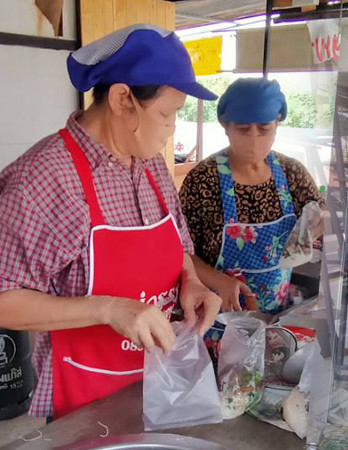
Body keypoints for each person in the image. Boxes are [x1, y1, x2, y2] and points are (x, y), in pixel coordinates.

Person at [0, 24, 222, 420]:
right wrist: (109, 310)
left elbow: (179, 251)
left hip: (156, 389)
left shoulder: (151, 165)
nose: (172, 129)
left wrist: (192, 282)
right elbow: (4, 301)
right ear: (123, 99)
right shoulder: (44, 179)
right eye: (167, 115)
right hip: (80, 406)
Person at [180, 78, 324, 317]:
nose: (254, 140)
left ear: (277, 124)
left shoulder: (291, 172)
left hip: (275, 312)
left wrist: (319, 223)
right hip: (217, 315)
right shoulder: (203, 179)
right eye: (243, 129)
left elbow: (322, 213)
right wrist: (219, 280)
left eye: (264, 128)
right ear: (225, 125)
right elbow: (179, 252)